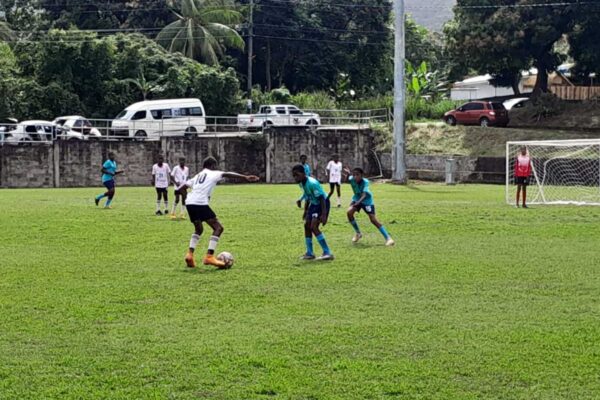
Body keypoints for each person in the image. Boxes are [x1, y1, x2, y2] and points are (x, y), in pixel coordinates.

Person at [183, 157, 260, 269]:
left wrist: (187, 198)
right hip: (200, 203)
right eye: (215, 166)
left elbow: (182, 188)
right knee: (218, 228)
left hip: (190, 203)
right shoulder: (213, 173)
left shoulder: (197, 175)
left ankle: (190, 255)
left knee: (198, 229)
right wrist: (245, 177)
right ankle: (209, 256)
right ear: (212, 165)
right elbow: (227, 174)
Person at [293, 164, 334, 261]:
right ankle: (310, 253)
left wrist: (324, 215)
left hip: (322, 203)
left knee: (314, 226)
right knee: (307, 225)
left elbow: (322, 198)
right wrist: (305, 211)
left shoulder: (312, 183)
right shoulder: (301, 183)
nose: (295, 177)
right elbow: (308, 196)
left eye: (297, 175)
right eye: (294, 175)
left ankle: (327, 252)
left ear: (303, 173)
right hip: (314, 204)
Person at [344, 167, 395, 246]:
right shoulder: (352, 179)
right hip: (357, 199)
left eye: (357, 175)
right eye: (354, 175)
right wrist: (348, 174)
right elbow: (347, 180)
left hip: (366, 201)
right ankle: (358, 233)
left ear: (362, 175)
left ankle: (388, 238)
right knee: (349, 212)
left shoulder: (365, 182)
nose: (355, 177)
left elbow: (364, 195)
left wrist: (358, 203)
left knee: (373, 220)